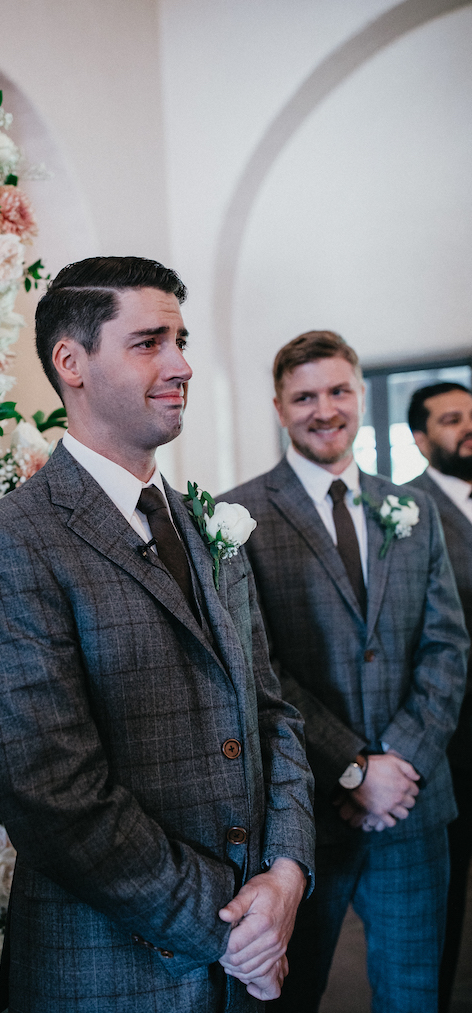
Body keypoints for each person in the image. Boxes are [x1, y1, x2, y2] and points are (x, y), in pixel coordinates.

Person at [0, 257, 315, 1013]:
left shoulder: (211, 526)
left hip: (253, 949)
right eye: (150, 341)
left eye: (181, 339)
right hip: (116, 972)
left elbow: (272, 713)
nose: (182, 364)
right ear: (71, 362)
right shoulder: (11, 542)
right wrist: (232, 925)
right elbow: (56, 797)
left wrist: (286, 872)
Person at [222, 331, 468, 1013]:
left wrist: (400, 762)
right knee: (289, 998)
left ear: (358, 395)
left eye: (337, 391)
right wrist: (356, 769)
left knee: (416, 995)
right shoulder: (236, 516)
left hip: (412, 808)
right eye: (304, 396)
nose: (323, 409)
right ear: (279, 405)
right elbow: (256, 666)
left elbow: (447, 644)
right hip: (303, 817)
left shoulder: (413, 509)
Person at [406, 382, 472, 1011]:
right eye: (453, 420)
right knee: (445, 909)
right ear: (422, 440)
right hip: (455, 743)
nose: (469, 427)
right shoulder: (410, 511)